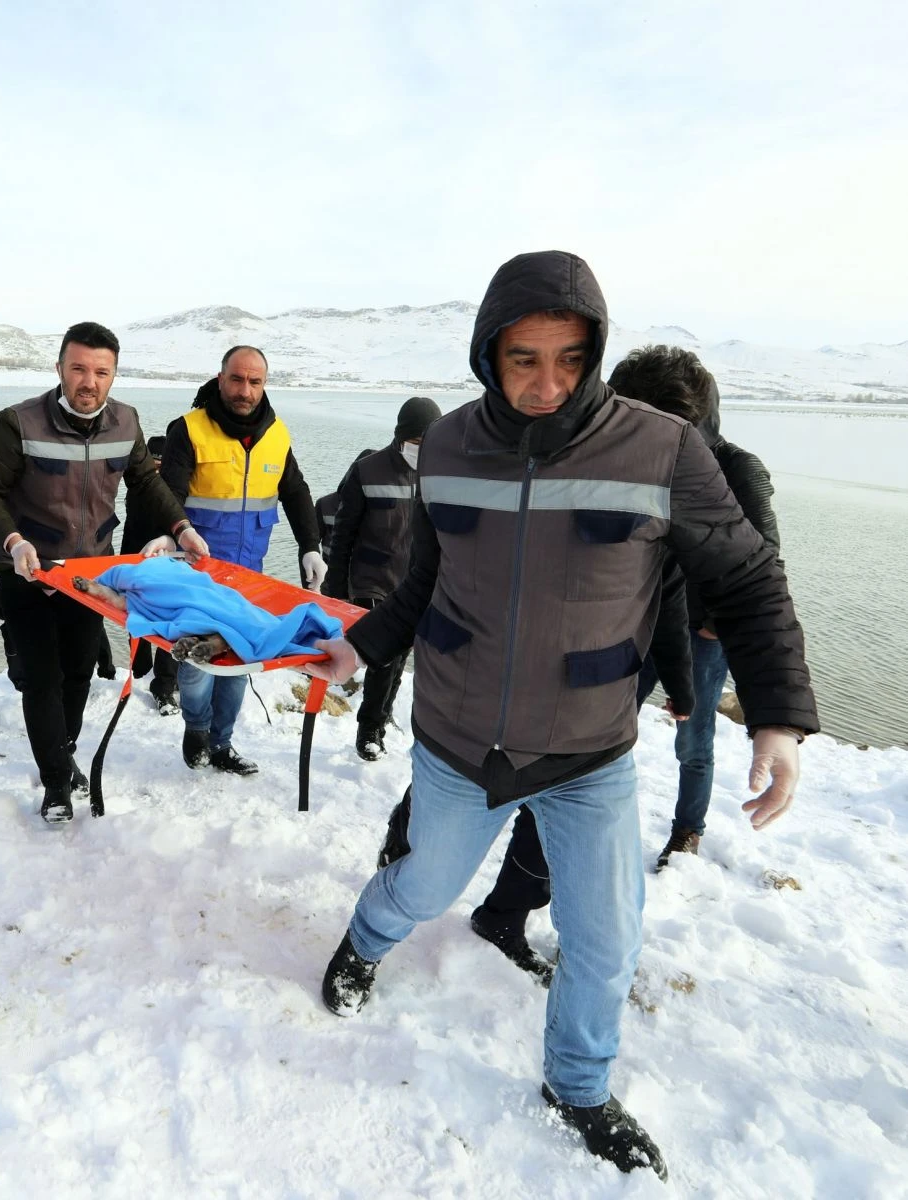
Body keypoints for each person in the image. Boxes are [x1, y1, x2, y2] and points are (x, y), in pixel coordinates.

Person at [307, 251, 817, 1179]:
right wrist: (361, 646)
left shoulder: (663, 449)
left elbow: (745, 575)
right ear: (487, 355)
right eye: (524, 359)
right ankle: (363, 942)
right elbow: (426, 578)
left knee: (607, 936)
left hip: (589, 751)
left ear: (596, 353)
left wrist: (777, 715)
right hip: (460, 738)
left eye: (571, 360)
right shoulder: (453, 446)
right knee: (423, 887)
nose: (547, 384)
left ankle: (577, 1085)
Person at [466, 348, 774, 978]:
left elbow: (758, 569)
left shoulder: (735, 469)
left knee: (687, 744)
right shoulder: (598, 450)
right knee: (553, 758)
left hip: (696, 632)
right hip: (621, 633)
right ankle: (492, 891)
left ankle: (677, 834)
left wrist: (773, 708)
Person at [0, 321, 204, 823]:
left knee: (78, 671)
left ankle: (64, 750)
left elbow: (146, 480)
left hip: (88, 573)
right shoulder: (17, 422)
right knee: (40, 679)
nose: (89, 382)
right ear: (59, 368)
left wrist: (181, 526)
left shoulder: (126, 421)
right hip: (28, 570)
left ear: (114, 375)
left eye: (101, 372)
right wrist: (13, 541)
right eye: (78, 368)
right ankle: (56, 783)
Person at [159, 346, 324, 776]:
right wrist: (167, 535)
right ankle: (196, 726)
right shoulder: (189, 430)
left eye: (254, 382)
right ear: (220, 378)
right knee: (197, 668)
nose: (244, 390)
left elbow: (296, 491)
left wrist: (310, 545)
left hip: (249, 574)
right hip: (195, 574)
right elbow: (168, 495)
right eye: (237, 379)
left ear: (264, 384)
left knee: (237, 664)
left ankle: (222, 744)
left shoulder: (278, 435)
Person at [325, 397, 442, 760]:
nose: (421, 451)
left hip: (415, 585)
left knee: (401, 655)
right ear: (399, 436)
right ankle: (369, 729)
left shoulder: (441, 472)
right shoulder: (368, 470)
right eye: (416, 442)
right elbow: (342, 533)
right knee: (383, 659)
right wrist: (336, 589)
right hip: (372, 580)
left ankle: (384, 713)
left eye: (429, 443)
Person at [119, 433, 180, 713]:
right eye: (152, 465)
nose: (156, 472)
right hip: (138, 560)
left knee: (171, 624)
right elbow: (131, 532)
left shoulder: (175, 494)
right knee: (137, 620)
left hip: (169, 565)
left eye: (161, 466)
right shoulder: (138, 488)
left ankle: (165, 685)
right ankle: (140, 669)